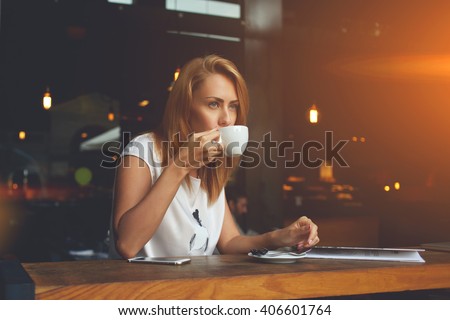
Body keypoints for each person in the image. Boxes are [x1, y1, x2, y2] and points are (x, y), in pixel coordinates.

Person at [110, 54, 319, 259]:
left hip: (198, 290)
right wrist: (180, 165)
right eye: (213, 104)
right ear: (185, 107)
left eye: (233, 106)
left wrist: (279, 237)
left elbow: (229, 242)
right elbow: (127, 245)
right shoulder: (143, 150)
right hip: (146, 291)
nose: (227, 119)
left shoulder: (210, 166)